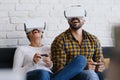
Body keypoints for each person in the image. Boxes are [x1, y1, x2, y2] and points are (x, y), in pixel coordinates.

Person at [51, 5, 105, 80]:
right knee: (83, 62)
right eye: (71, 15)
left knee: (103, 75)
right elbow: (58, 70)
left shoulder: (93, 39)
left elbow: (100, 62)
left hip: (91, 74)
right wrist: (82, 67)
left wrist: (100, 66)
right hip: (69, 76)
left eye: (79, 15)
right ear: (68, 20)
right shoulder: (60, 40)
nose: (75, 17)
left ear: (84, 20)